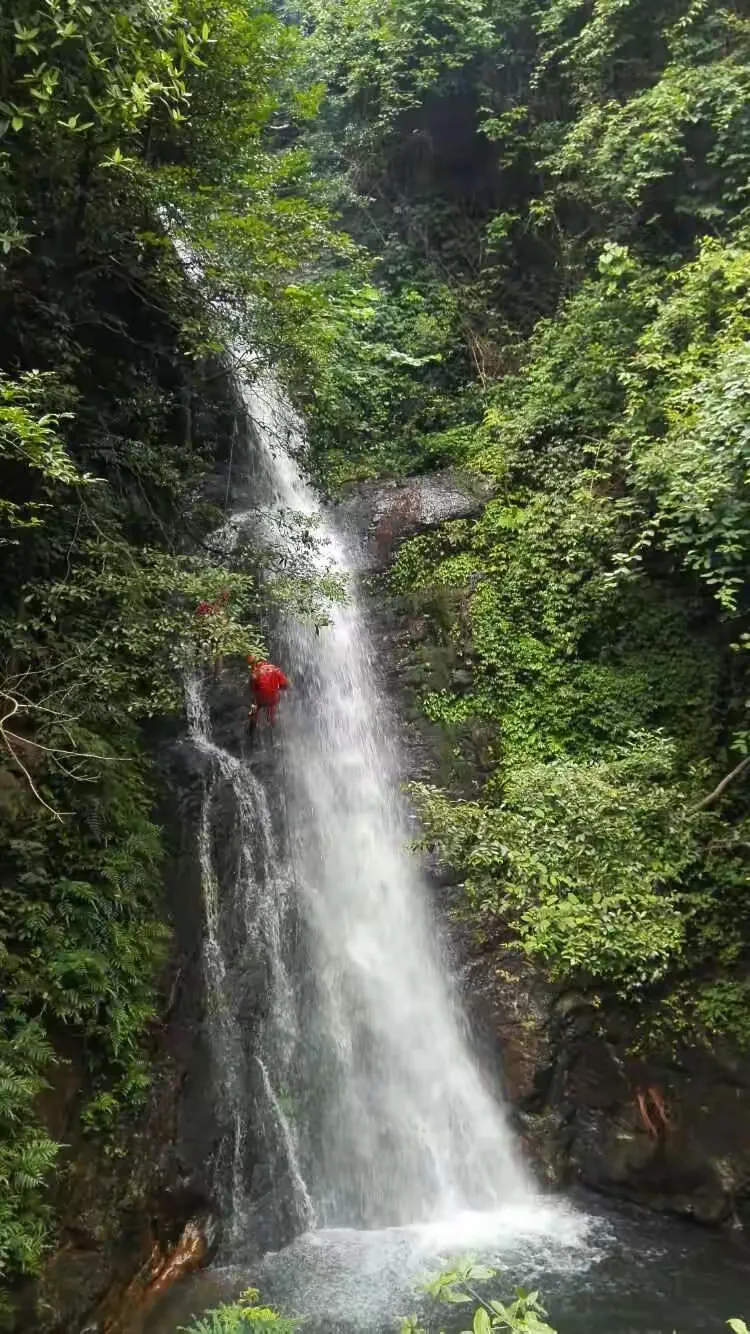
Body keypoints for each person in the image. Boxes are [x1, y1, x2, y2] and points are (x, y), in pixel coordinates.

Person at [247, 656, 290, 730]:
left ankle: (252, 725)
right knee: (272, 703)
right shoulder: (275, 669)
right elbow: (285, 685)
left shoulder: (255, 672)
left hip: (260, 699)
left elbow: (252, 690)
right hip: (273, 698)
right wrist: (278, 688)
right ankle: (272, 721)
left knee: (255, 703)